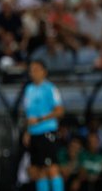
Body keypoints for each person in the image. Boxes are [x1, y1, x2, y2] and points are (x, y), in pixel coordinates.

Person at [23, 60, 65, 191]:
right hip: (34, 134)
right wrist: (28, 131)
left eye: (36, 69)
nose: (32, 72)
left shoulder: (50, 88)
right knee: (38, 171)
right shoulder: (28, 89)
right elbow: (29, 115)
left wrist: (41, 119)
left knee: (52, 168)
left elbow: (59, 111)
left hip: (47, 131)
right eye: (31, 69)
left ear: (44, 72)